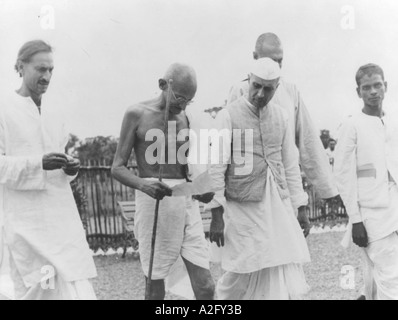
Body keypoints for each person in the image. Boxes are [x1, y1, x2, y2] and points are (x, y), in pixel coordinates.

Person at [0, 40, 97, 300]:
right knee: (38, 288)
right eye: (40, 69)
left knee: (73, 286)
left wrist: (70, 167)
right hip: (25, 220)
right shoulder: (3, 108)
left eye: (51, 70)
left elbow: (60, 159)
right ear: (20, 67)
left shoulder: (56, 110)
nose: (47, 76)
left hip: (60, 218)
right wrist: (38, 164)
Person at [208, 57, 311, 300]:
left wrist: (301, 206)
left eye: (268, 88)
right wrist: (216, 214)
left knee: (278, 263)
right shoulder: (227, 116)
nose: (260, 93)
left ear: (277, 88)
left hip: (277, 204)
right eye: (256, 85)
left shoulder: (282, 116)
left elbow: (289, 164)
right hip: (242, 205)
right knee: (242, 269)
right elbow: (216, 168)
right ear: (249, 80)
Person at [111, 63, 215, 300]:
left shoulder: (187, 117)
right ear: (162, 85)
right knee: (154, 285)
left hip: (186, 204)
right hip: (153, 203)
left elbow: (193, 168)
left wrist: (202, 190)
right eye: (180, 97)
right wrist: (143, 184)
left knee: (206, 286)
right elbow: (117, 167)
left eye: (190, 100)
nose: (184, 104)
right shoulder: (136, 113)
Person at [228, 33, 339, 232]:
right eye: (270, 60)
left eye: (280, 61)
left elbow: (307, 141)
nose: (275, 66)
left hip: (283, 187)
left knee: (287, 251)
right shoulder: (239, 90)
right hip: (248, 193)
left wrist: (325, 189)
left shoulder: (290, 91)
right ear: (255, 57)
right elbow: (228, 147)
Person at [335, 63, 398, 300]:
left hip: (395, 207)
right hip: (371, 213)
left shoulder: (393, 121)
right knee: (391, 276)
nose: (373, 91)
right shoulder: (352, 125)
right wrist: (355, 219)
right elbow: (342, 174)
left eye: (377, 85)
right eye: (366, 87)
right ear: (358, 91)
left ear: (386, 87)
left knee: (377, 276)